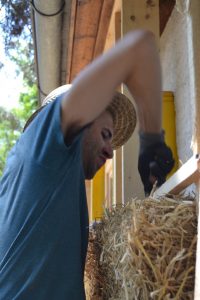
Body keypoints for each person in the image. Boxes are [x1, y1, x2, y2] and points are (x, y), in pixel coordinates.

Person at [0, 29, 174, 299]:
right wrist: (151, 140)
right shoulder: (40, 148)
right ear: (77, 124)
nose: (111, 152)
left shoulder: (48, 181)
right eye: (106, 135)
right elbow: (139, 46)